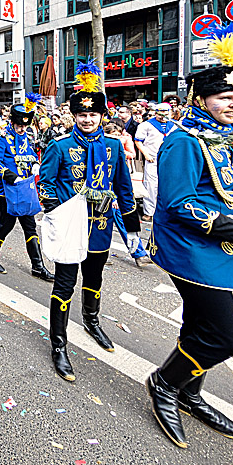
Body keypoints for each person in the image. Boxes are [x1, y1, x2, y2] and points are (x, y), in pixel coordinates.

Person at [147, 23, 233, 448]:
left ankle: (189, 392)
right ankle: (165, 384)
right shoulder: (184, 141)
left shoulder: (227, 139)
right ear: (201, 99)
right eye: (224, 97)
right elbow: (180, 203)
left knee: (199, 325)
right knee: (225, 337)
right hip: (189, 249)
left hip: (218, 245)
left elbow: (228, 193)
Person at [40, 61, 138, 380]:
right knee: (65, 284)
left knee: (94, 279)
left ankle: (92, 322)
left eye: (92, 114)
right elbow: (45, 182)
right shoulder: (60, 146)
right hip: (71, 228)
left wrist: (133, 229)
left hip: (100, 228)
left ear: (100, 116)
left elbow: (123, 186)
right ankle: (59, 344)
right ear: (74, 116)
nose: (86, 119)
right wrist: (60, 207)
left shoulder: (112, 147)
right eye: (81, 114)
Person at [0, 93, 54, 282]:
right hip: (7, 189)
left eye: (25, 125)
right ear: (13, 122)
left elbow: (29, 155)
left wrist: (35, 165)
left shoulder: (26, 137)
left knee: (30, 227)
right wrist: (9, 175)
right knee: (6, 225)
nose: (22, 128)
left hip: (25, 188)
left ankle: (38, 266)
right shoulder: (1, 138)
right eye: (19, 125)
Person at [135, 102, 176, 222]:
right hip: (152, 158)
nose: (163, 115)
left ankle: (168, 211)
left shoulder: (174, 125)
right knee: (151, 186)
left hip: (170, 159)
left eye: (166, 112)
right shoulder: (145, 125)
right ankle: (150, 212)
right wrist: (146, 154)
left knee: (170, 185)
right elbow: (138, 141)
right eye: (161, 112)